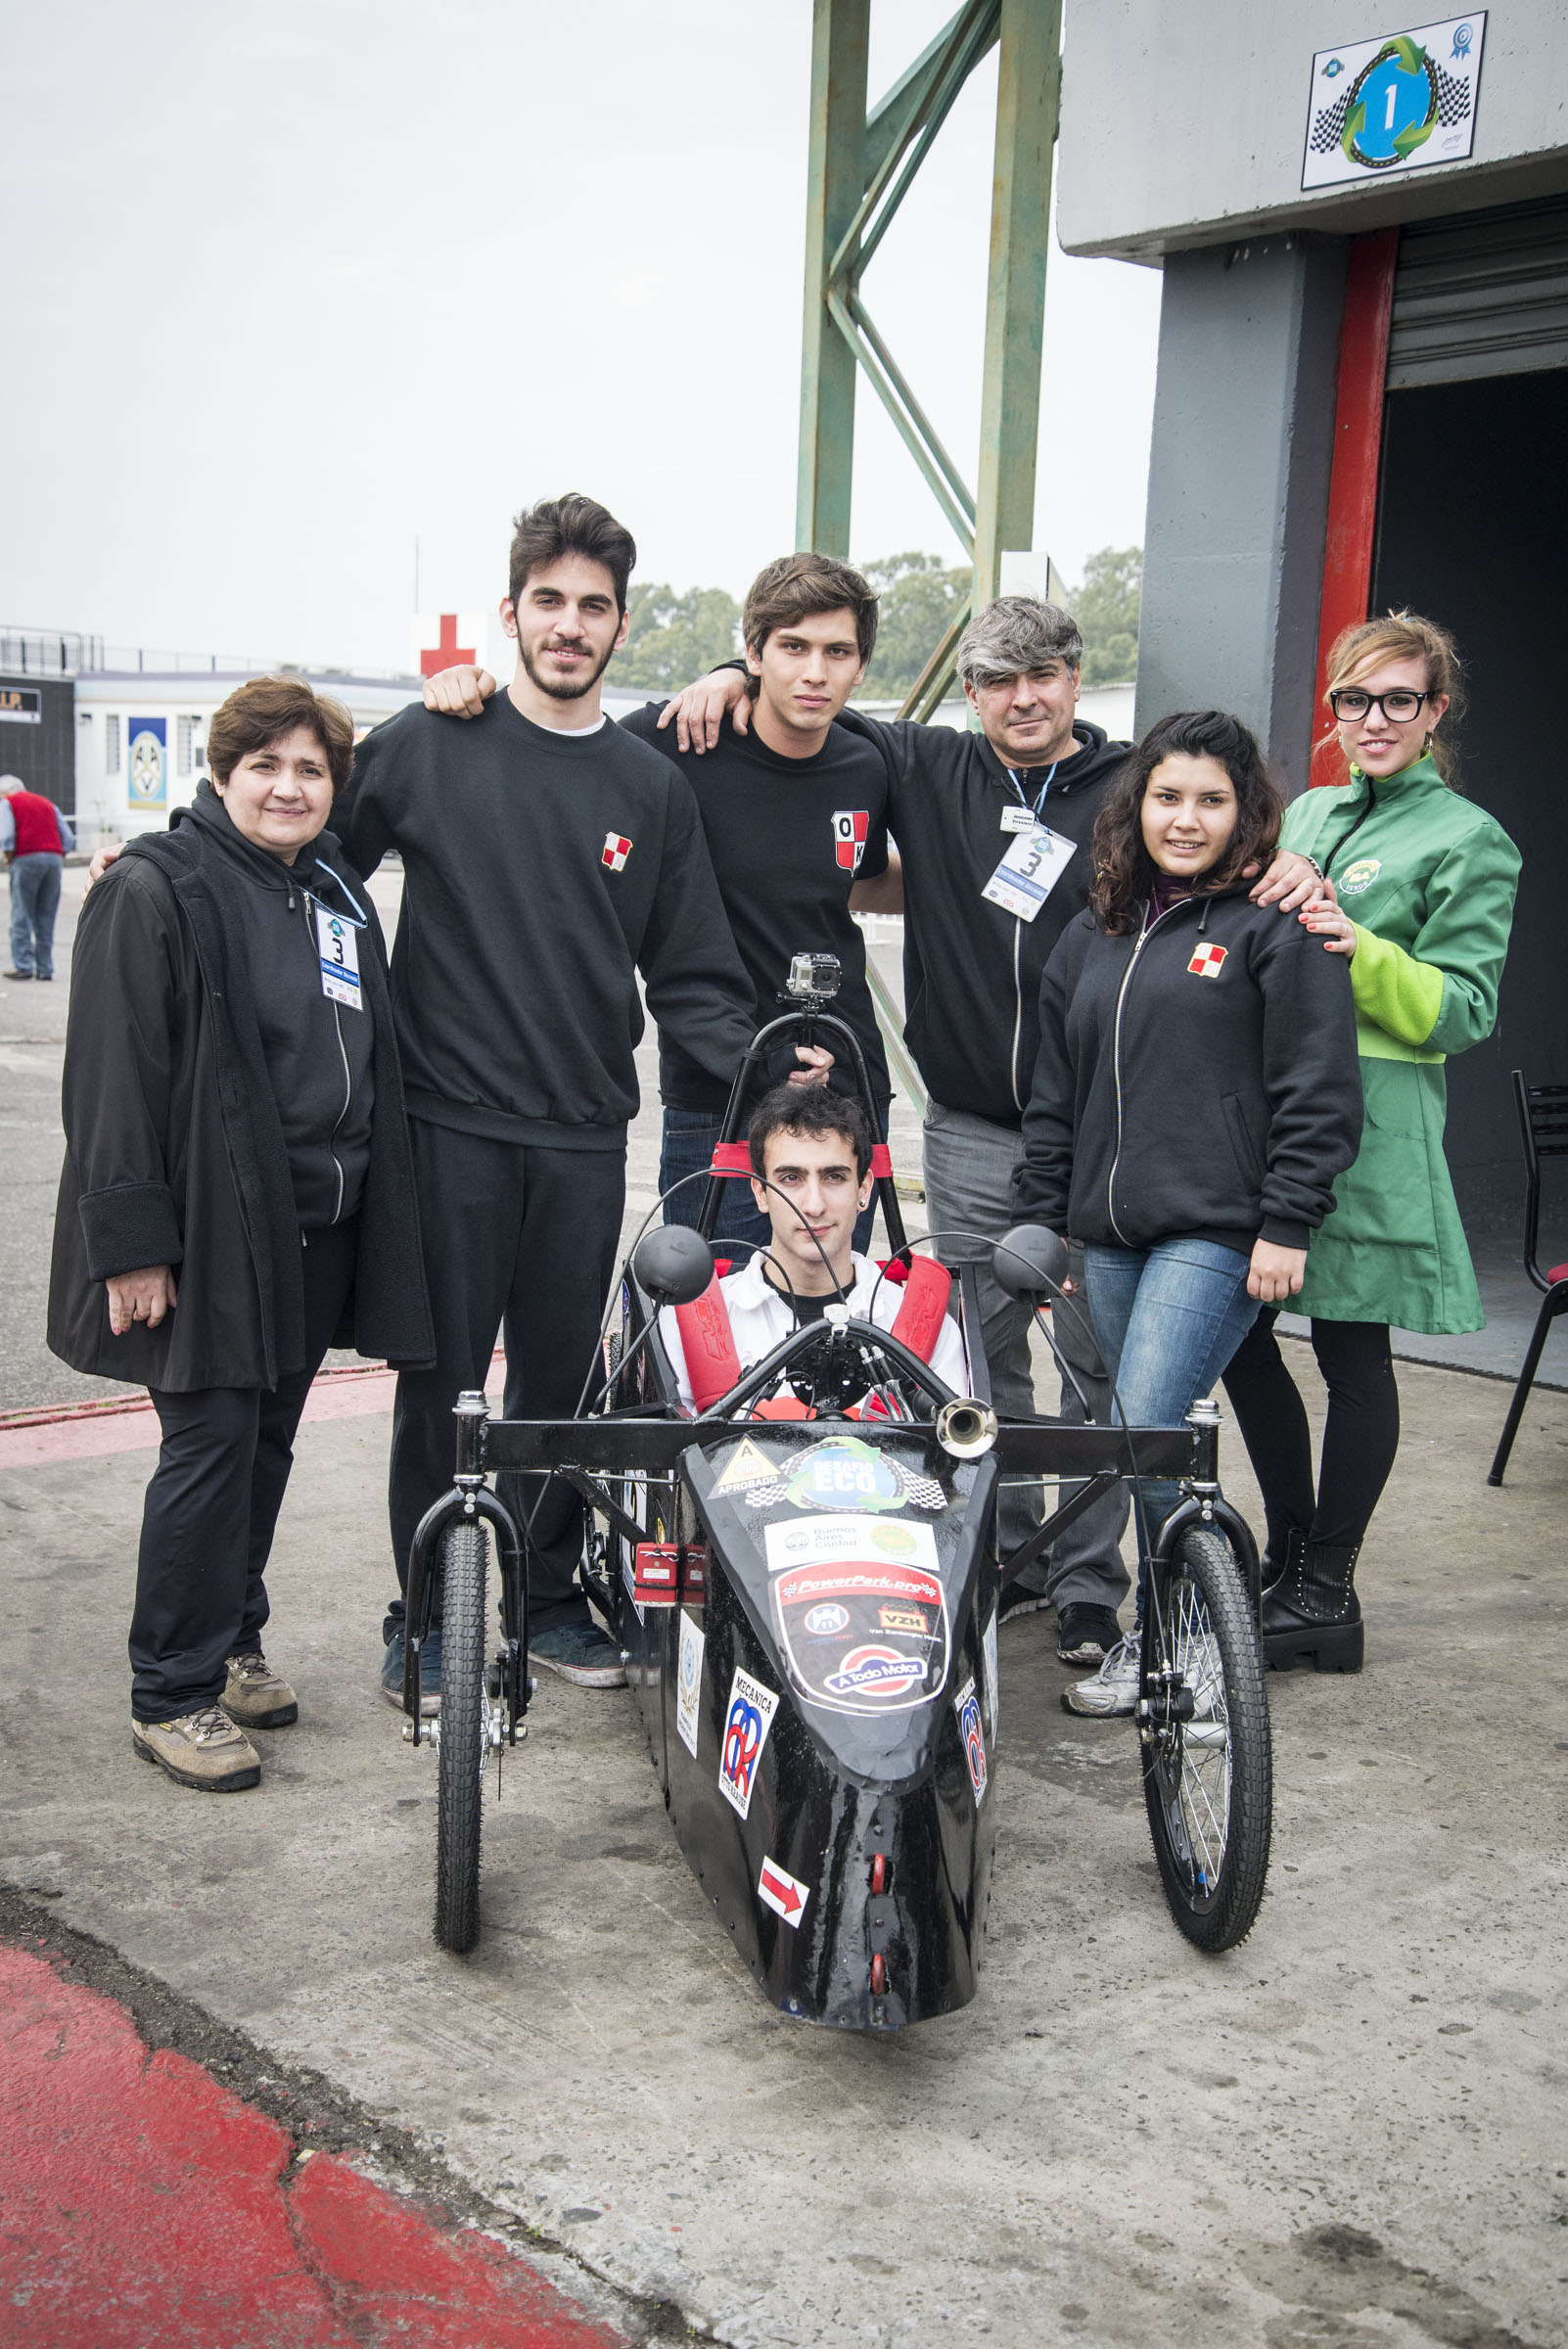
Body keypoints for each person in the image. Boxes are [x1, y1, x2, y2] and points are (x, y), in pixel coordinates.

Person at [661, 602, 1324, 1666]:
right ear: (969, 693)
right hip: (969, 1126)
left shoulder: (1135, 785)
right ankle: (1008, 1558)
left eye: (1045, 674)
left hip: (1106, 1143)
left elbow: (1225, 841)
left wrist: (1295, 872)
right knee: (980, 1361)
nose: (1024, 698)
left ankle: (1091, 1589)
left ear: (1076, 678)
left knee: (1101, 1378)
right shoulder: (927, 765)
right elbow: (807, 697)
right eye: (998, 680)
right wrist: (723, 676)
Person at [331, 493, 766, 1697]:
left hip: (581, 1134)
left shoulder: (648, 788)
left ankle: (551, 1598)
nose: (571, 625)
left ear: (622, 625)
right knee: (442, 1391)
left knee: (565, 1386)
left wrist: (773, 1082)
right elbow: (311, 857)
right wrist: (181, 863)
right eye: (550, 601)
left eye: (594, 607)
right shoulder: (429, 743)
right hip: (446, 1126)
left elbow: (693, 973)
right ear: (511, 612)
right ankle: (426, 1619)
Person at [49, 678, 433, 1791]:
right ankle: (171, 1691)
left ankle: (230, 1640)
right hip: (212, 1231)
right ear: (221, 775)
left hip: (314, 1231)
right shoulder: (156, 889)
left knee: (263, 1445)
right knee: (211, 1446)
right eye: (265, 765)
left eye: (311, 769)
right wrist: (133, 1243)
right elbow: (110, 1076)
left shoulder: (334, 891)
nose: (289, 787)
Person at [1013, 709, 1362, 1717]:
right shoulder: (1094, 931)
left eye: (1212, 800)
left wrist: (1289, 1221)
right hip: (1110, 1235)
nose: (1186, 818)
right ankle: (1182, 1627)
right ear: (1138, 804)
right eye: (1168, 796)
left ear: (1243, 812)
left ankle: (1190, 1636)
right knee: (1147, 1441)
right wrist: (1046, 1224)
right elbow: (1055, 1093)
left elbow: (1318, 1086)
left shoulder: (1278, 924)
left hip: (1220, 1228)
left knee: (1145, 1424)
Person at [422, 550, 894, 1258]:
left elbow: (862, 877)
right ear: (753, 654)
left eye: (838, 652)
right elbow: (556, 733)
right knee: (703, 1308)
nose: (816, 672)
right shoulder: (676, 741)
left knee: (826, 1311)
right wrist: (471, 692)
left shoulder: (868, 762)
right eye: (793, 647)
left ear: (861, 666)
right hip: (718, 1095)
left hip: (847, 1090)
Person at [1222, 614, 1521, 1673]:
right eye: (1355, 699)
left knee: (1353, 1353)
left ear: (1436, 711)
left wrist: (1360, 944)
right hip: (1270, 1118)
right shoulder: (1307, 810)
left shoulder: (1471, 840)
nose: (1375, 719)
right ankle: (1292, 1552)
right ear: (1334, 709)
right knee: (1238, 1335)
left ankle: (1327, 1588)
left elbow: (1464, 1010)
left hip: (1375, 1131)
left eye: (1400, 699)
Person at [659, 1082, 969, 1410]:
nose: (814, 1205)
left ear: (864, 1189)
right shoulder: (690, 1322)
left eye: (834, 1177)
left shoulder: (923, 1322)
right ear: (760, 1193)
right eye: (791, 1178)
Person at [2, 773, 75, 980]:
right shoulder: (47, 804)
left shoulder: (8, 802)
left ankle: (23, 965)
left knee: (22, 912)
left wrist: (9, 857)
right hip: (53, 860)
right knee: (46, 914)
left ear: (5, 792)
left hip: (25, 858)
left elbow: (6, 836)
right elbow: (68, 838)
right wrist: (55, 855)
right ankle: (45, 967)